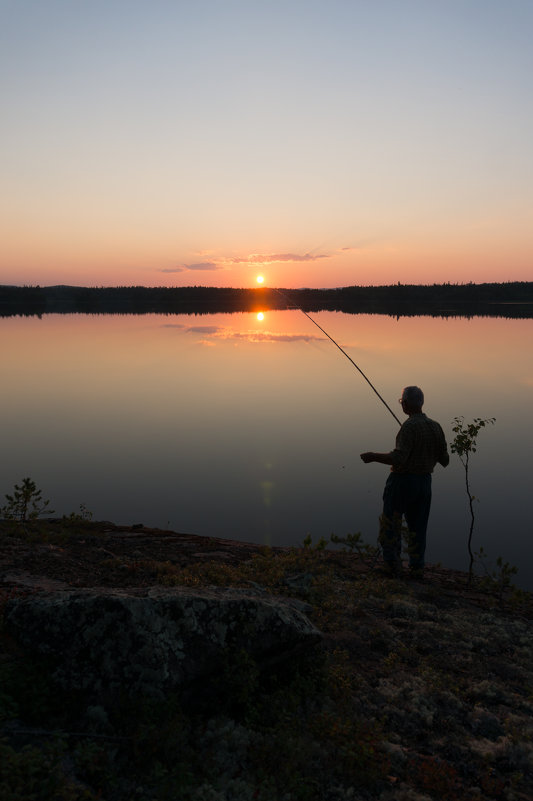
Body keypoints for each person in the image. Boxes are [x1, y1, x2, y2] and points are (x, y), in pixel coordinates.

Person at [360, 386, 449, 577]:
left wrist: (373, 456)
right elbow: (445, 460)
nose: (402, 405)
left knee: (391, 523)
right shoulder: (436, 427)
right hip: (425, 484)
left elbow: (399, 458)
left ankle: (392, 565)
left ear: (407, 404)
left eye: (402, 402)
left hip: (402, 482)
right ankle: (417, 567)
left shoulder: (408, 427)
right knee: (418, 527)